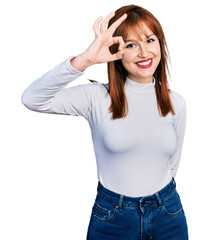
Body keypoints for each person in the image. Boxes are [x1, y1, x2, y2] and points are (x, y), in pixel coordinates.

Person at [21, 4, 189, 240]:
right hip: (114, 218)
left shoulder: (176, 102)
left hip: (168, 213)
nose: (144, 52)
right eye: (131, 45)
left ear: (160, 44)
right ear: (117, 51)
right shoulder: (96, 97)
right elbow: (32, 99)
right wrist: (86, 59)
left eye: (150, 40)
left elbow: (172, 166)